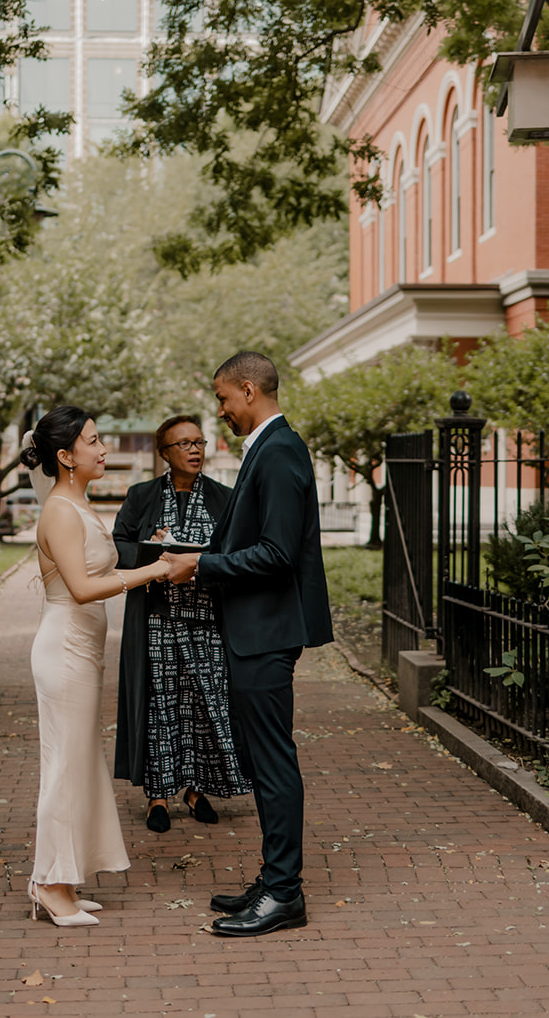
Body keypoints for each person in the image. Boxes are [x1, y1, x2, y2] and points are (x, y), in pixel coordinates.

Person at [163, 352, 333, 938]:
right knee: (262, 761)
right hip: (254, 632)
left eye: (223, 398)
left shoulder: (281, 450)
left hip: (266, 634)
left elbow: (279, 553)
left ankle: (285, 894)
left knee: (272, 762)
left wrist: (200, 566)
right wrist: (193, 550)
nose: (221, 411)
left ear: (248, 389)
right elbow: (254, 537)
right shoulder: (267, 447)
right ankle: (274, 876)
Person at [20, 406, 172, 927]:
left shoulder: (77, 504)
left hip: (83, 651)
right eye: (92, 441)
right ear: (65, 457)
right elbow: (83, 591)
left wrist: (150, 552)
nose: (103, 448)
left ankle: (65, 878)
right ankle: (47, 883)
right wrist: (152, 571)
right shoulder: (60, 511)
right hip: (64, 649)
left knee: (80, 763)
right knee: (64, 767)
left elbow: (101, 566)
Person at [112, 415, 248, 833]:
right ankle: (158, 795)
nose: (194, 449)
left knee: (204, 707)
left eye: (199, 442)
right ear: (165, 454)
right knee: (160, 708)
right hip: (158, 621)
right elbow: (116, 545)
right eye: (183, 444)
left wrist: (206, 562)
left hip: (208, 623)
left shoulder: (226, 498)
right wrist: (153, 554)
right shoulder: (141, 496)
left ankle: (194, 789)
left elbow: (239, 553)